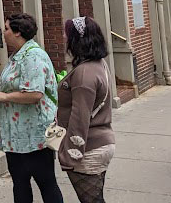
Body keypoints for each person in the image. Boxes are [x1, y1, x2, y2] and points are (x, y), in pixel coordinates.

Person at [0, 13, 64, 203]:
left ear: (18, 32)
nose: (4, 32)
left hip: (35, 136)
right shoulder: (17, 55)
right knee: (20, 185)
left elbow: (35, 94)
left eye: (7, 29)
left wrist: (4, 96)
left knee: (46, 183)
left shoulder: (33, 56)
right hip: (15, 137)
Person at [57, 17, 115, 203]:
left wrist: (69, 155)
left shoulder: (84, 73)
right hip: (101, 142)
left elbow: (80, 117)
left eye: (68, 34)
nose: (65, 38)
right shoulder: (99, 64)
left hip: (89, 148)